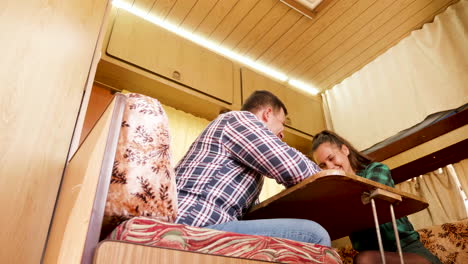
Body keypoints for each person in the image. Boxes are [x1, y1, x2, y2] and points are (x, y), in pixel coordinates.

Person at [174, 90, 330, 246]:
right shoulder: (238, 120)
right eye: (282, 123)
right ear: (267, 114)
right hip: (195, 222)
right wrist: (328, 176)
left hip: (201, 222)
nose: (283, 135)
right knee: (315, 236)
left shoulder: (246, 160)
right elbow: (295, 168)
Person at [311, 130, 442, 264]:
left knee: (365, 259)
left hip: (407, 251)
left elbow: (369, 196)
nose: (330, 167)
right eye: (322, 166)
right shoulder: (334, 195)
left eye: (331, 158)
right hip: (373, 256)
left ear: (345, 150)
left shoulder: (376, 170)